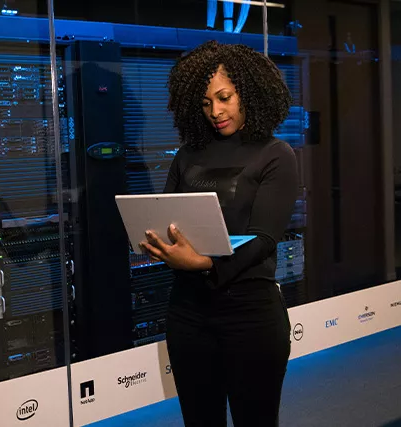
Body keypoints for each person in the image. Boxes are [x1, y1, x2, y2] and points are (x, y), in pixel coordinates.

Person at [139, 40, 298, 427]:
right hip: (188, 314)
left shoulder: (276, 155)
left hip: (251, 316)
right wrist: (159, 243)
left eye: (224, 98)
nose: (215, 112)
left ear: (249, 93)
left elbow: (264, 238)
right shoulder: (186, 156)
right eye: (206, 102)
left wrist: (204, 263)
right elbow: (167, 219)